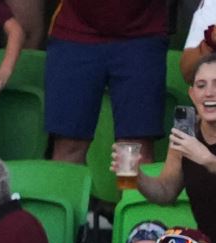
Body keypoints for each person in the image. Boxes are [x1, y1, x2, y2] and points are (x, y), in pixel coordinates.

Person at [42, 1, 167, 168]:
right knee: (69, 146)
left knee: (135, 150)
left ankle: (132, 194)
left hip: (142, 31)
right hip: (75, 30)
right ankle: (69, 195)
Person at [134, 59, 216, 237]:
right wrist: (137, 176)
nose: (209, 93)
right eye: (201, 86)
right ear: (192, 95)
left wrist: (208, 160)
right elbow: (165, 192)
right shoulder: (187, 133)